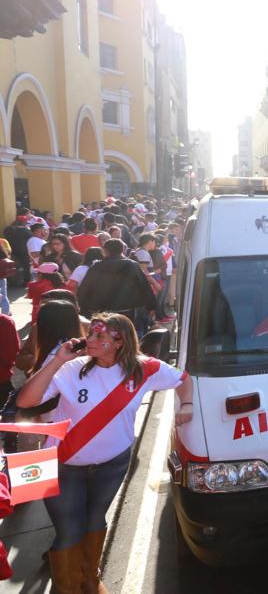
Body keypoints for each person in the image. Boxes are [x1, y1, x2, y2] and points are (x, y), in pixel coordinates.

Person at [16, 313, 191, 594]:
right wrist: (57, 360)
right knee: (69, 530)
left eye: (100, 336)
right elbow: (26, 400)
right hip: (64, 466)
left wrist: (188, 405)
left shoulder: (144, 369)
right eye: (91, 334)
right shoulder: (71, 368)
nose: (90, 340)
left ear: (119, 341)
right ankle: (68, 588)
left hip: (112, 465)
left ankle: (90, 579)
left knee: (95, 520)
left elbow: (183, 379)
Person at [76, 238, 156, 321]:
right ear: (122, 250)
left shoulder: (97, 266)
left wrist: (82, 308)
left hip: (103, 311)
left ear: (105, 251)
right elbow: (144, 285)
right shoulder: (132, 265)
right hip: (127, 310)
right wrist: (151, 306)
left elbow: (85, 288)